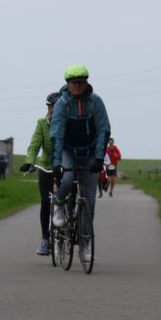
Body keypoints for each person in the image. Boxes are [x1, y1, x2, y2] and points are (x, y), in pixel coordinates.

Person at [50, 65, 111, 259]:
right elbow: (57, 133)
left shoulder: (96, 102)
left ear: (86, 82)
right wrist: (57, 162)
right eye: (73, 82)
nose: (77, 86)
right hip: (68, 150)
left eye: (81, 82)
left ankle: (85, 243)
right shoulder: (62, 103)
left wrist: (100, 158)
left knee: (90, 203)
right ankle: (59, 204)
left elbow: (103, 130)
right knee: (67, 179)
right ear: (67, 84)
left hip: (90, 152)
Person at [19, 92, 58, 256]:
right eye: (51, 107)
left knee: (68, 196)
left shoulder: (69, 123)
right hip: (46, 166)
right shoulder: (42, 123)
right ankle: (45, 239)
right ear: (48, 108)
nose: (54, 110)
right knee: (45, 201)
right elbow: (35, 144)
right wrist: (29, 161)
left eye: (57, 107)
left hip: (65, 165)